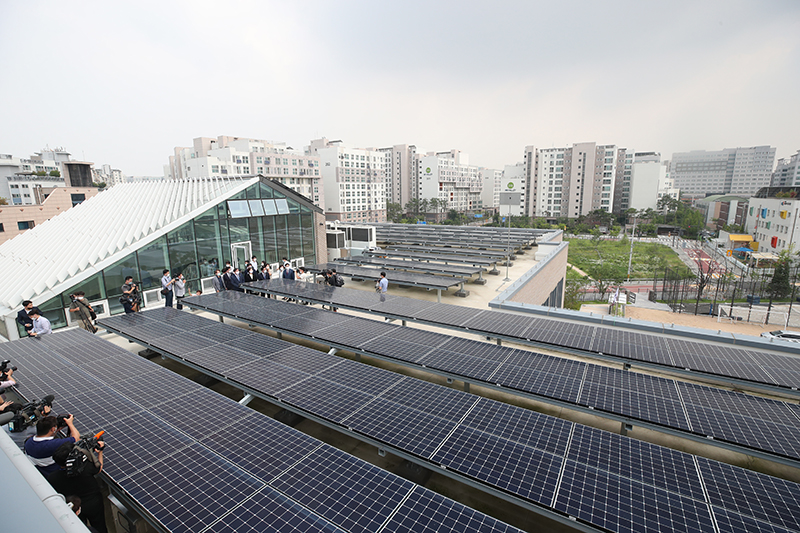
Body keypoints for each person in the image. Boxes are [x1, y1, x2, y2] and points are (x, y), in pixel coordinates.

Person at [49, 440, 107, 533]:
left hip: (74, 506)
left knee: (80, 525)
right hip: (94, 503)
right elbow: (98, 468)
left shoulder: (53, 477)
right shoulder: (86, 468)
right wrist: (100, 453)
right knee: (99, 525)